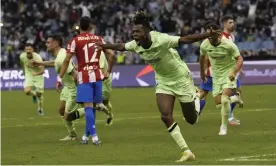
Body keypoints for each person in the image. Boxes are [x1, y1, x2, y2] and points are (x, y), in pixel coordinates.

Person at [96, 11, 221, 162]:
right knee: (165, 115)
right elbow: (122, 46)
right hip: (163, 80)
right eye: (133, 31)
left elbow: (185, 39)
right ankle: (186, 151)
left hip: (180, 78)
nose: (134, 34)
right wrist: (103, 45)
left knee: (191, 120)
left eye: (138, 31)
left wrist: (206, 35)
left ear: (147, 31)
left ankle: (197, 97)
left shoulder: (161, 39)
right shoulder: (136, 45)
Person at [59, 16, 114, 145]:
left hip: (84, 76)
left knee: (88, 107)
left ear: (79, 26)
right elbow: (111, 55)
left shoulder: (75, 41)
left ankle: (94, 136)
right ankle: (85, 136)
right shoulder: (98, 39)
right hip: (97, 75)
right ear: (90, 26)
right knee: (93, 106)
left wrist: (59, 77)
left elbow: (67, 60)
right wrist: (108, 72)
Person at [32, 34, 86, 140]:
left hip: (74, 88)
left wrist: (80, 93)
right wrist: (39, 63)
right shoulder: (60, 55)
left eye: (48, 42)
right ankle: (72, 135)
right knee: (61, 110)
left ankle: (93, 107)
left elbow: (75, 75)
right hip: (67, 87)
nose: (46, 44)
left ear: (55, 43)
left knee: (68, 116)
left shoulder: (62, 57)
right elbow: (55, 63)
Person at [199, 23, 243, 136]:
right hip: (216, 76)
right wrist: (202, 74)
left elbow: (240, 59)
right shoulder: (204, 45)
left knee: (224, 100)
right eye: (207, 34)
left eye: (211, 34)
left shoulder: (228, 44)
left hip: (229, 74)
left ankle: (223, 126)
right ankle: (236, 98)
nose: (209, 37)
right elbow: (202, 58)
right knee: (219, 105)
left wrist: (234, 72)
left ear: (218, 34)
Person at [20, 43, 45, 115]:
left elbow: (42, 70)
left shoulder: (37, 58)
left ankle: (40, 109)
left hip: (38, 76)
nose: (28, 51)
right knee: (27, 91)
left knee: (39, 94)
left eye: (30, 49)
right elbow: (22, 63)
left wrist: (36, 74)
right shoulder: (22, 56)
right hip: (29, 75)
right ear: (25, 50)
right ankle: (34, 95)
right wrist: (24, 72)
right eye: (27, 49)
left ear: (33, 50)